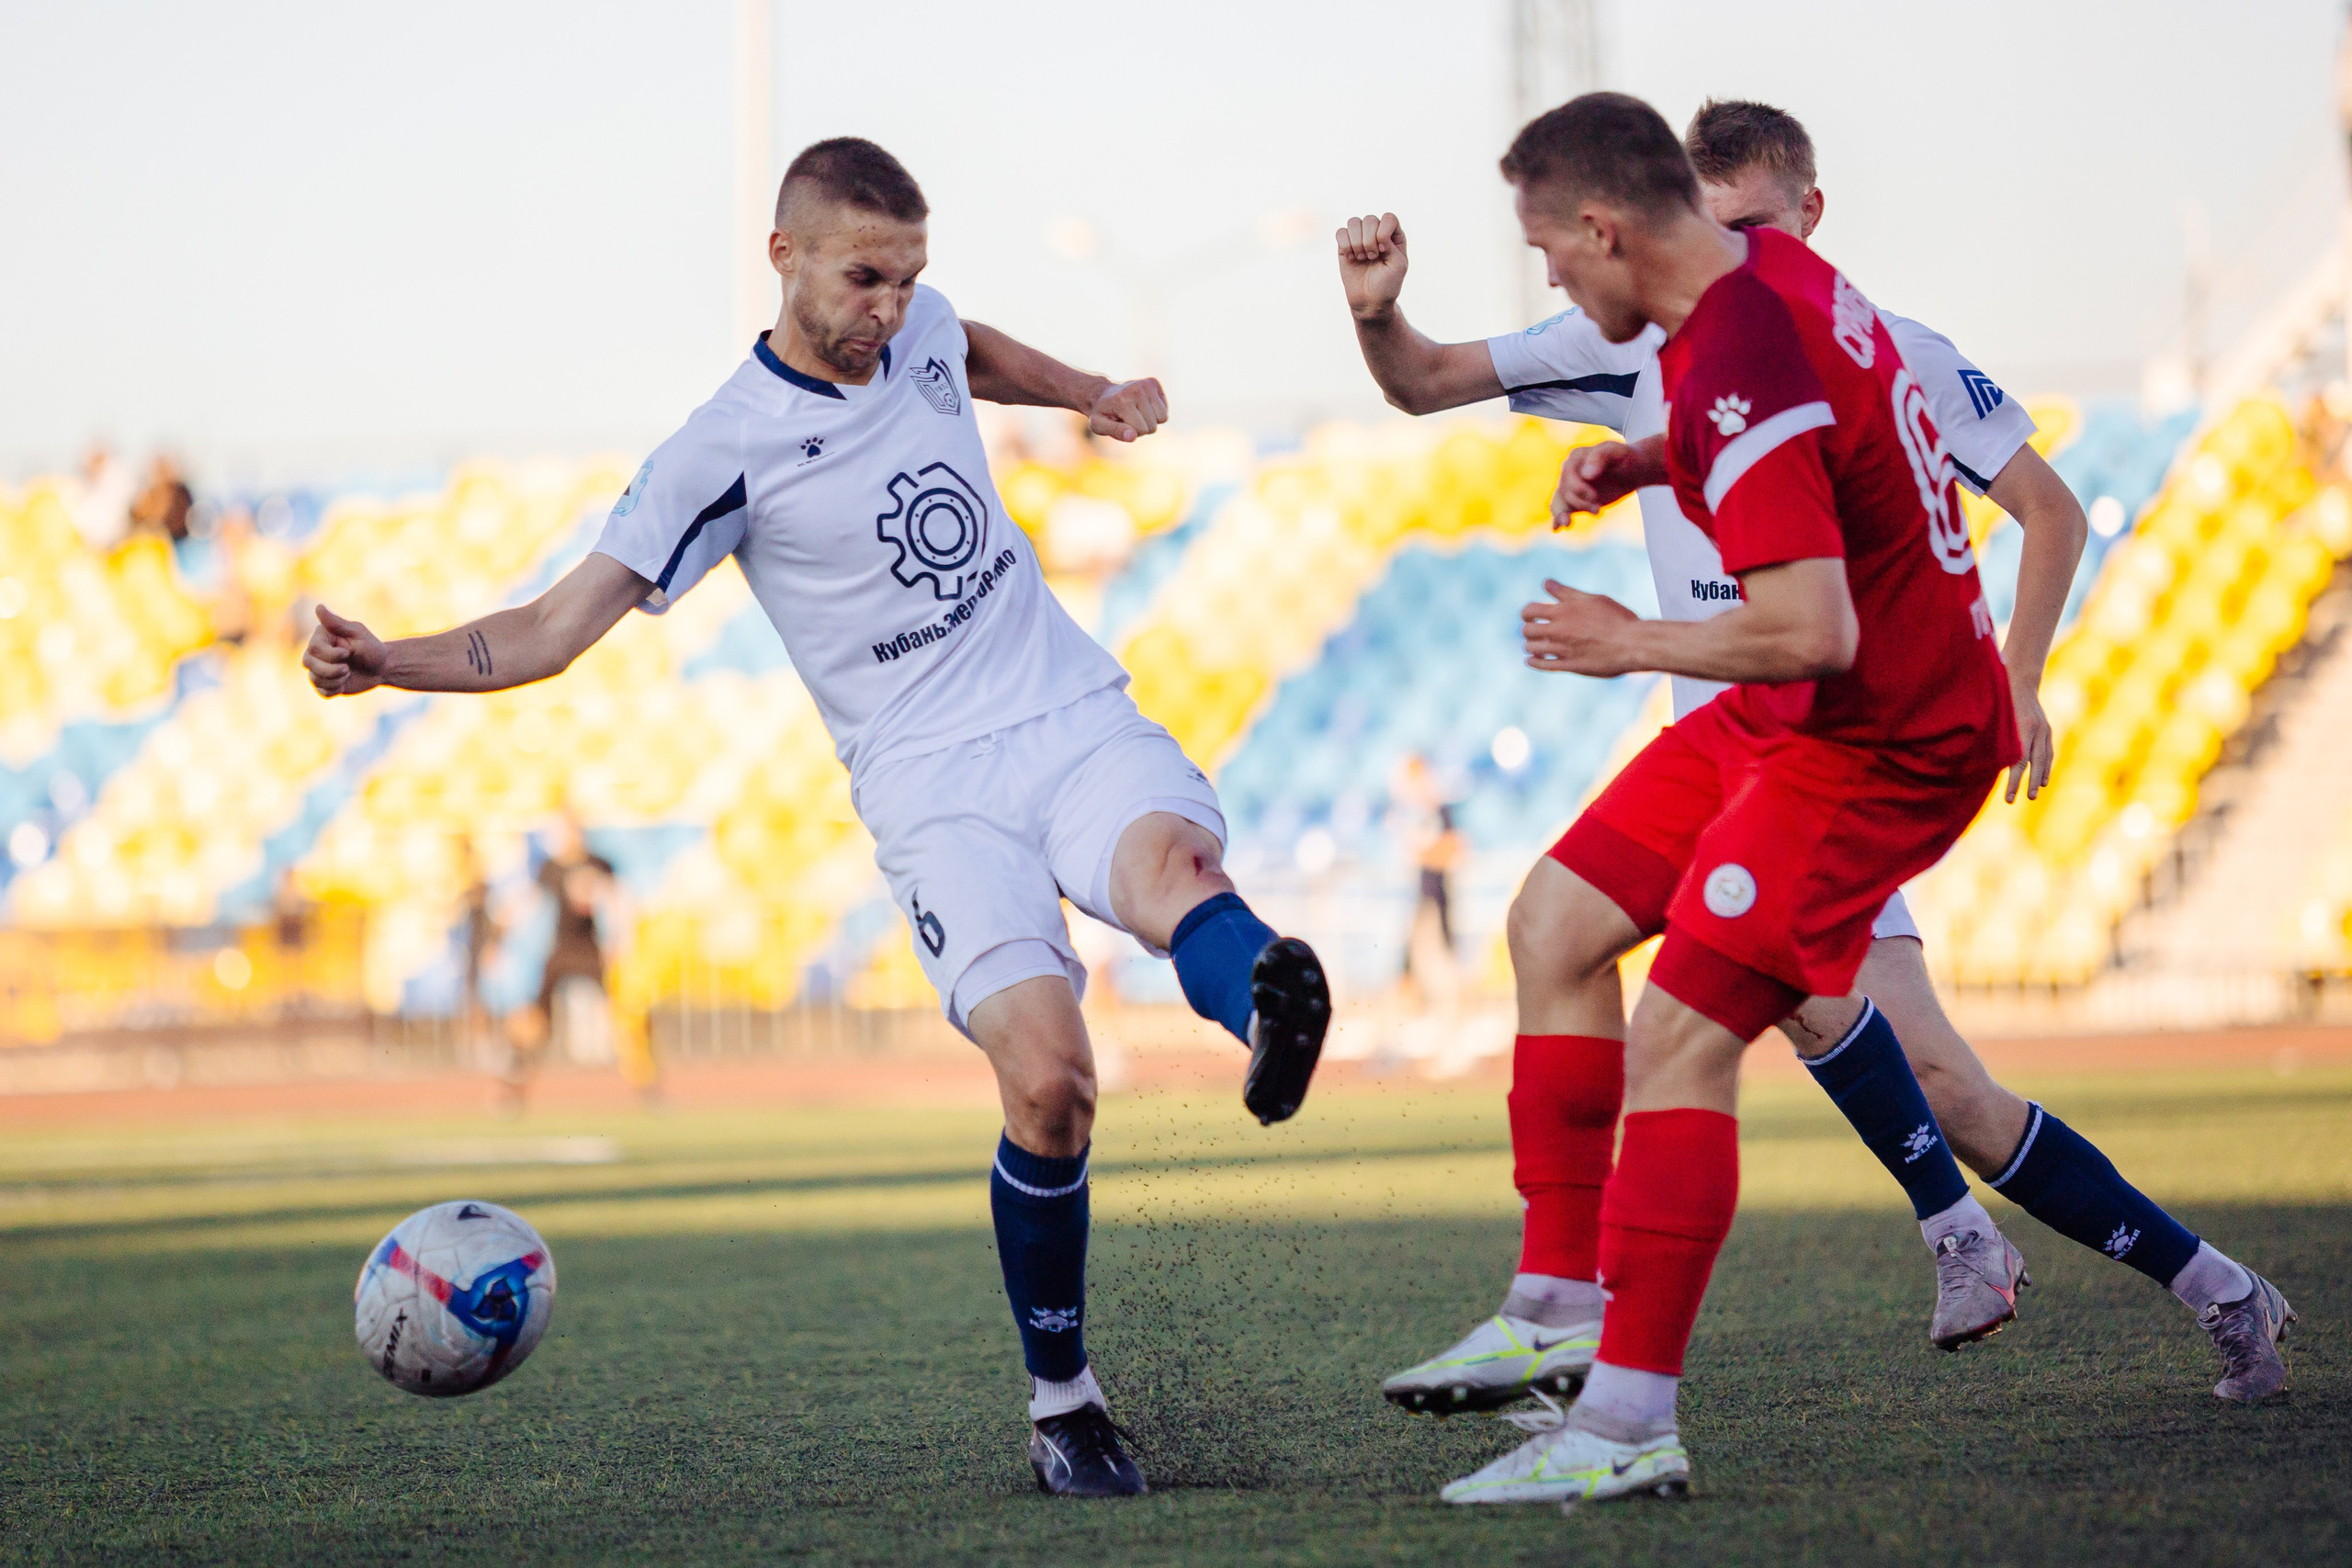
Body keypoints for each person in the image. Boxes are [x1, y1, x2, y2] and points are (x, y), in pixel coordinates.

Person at [302, 137, 1330, 1499]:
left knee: (1170, 871)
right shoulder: (718, 451)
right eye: (864, 279)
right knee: (1050, 1083)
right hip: (930, 788)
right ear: (781, 256)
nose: (892, 311)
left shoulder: (918, 328)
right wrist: (390, 661)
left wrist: (1090, 393)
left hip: (1066, 711)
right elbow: (552, 629)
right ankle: (1064, 1403)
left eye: (909, 279)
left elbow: (971, 348)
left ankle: (1265, 1008)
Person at [1340, 96, 2291, 1446]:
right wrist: (1602, 437)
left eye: (1754, 222)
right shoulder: (1672, 323)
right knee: (1590, 938)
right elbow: (1432, 380)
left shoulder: (1846, 334)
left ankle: (2186, 1279)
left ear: (1801, 216)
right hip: (1746, 734)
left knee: (1901, 1067)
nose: (1731, 245)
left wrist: (2015, 676)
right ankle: (1594, 1307)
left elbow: (2001, 528)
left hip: (1849, 739)